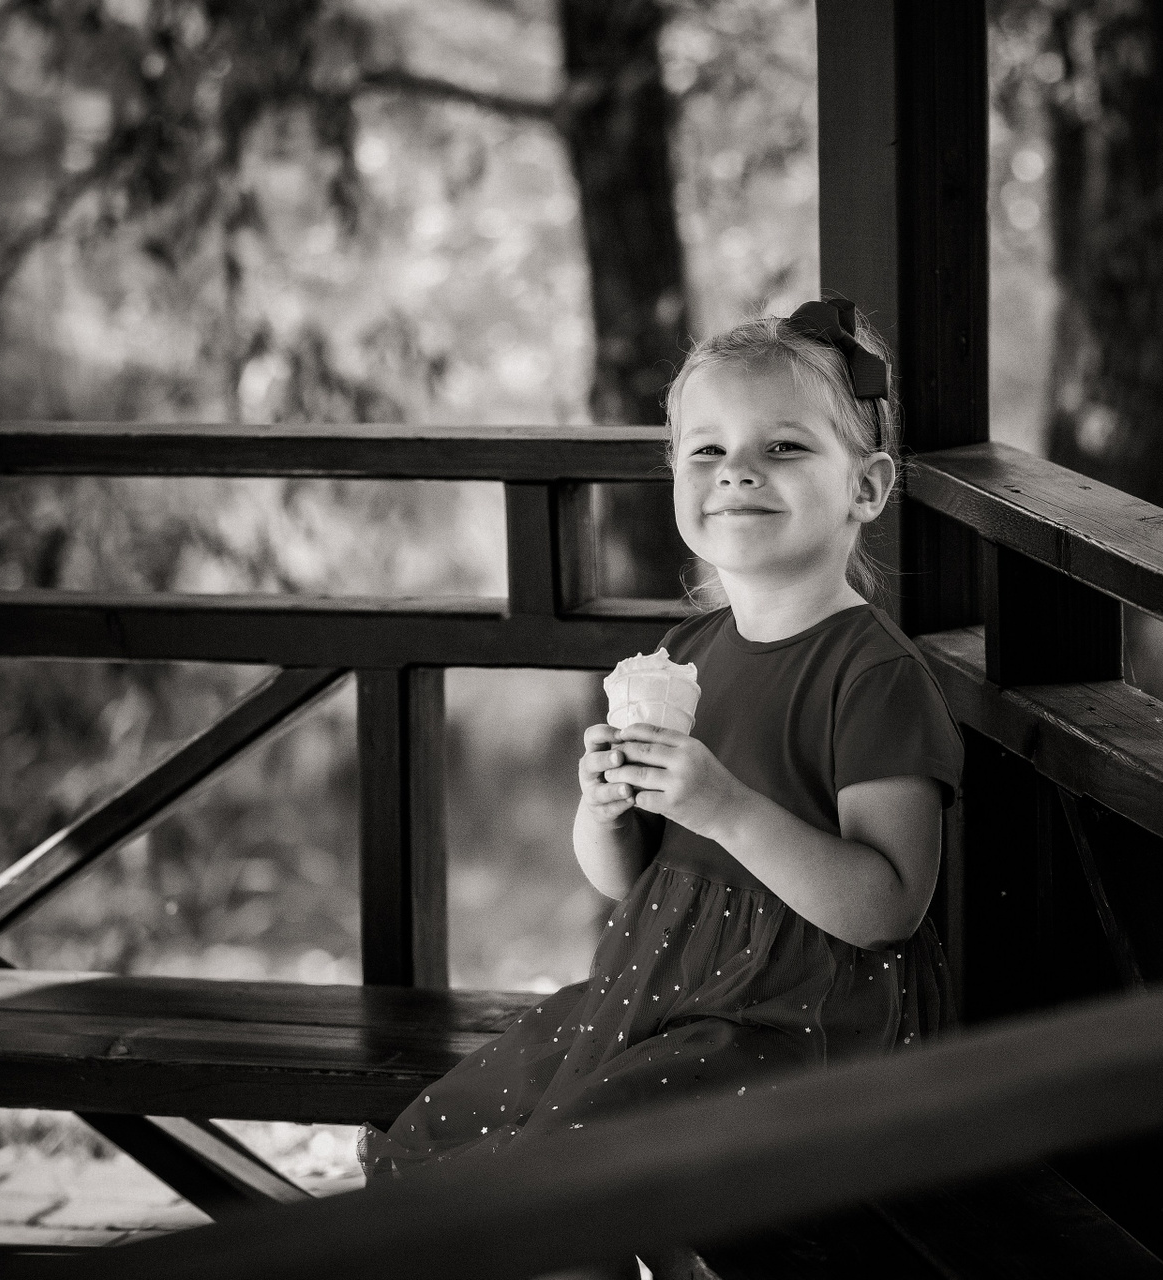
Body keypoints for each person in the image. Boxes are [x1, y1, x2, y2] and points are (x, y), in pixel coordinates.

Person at [358, 297, 963, 1183]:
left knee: (564, 1168)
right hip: (655, 995)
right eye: (707, 450)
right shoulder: (683, 656)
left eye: (783, 448)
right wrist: (604, 811)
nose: (738, 472)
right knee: (456, 1131)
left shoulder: (872, 677)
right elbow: (626, 879)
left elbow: (888, 908)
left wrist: (723, 807)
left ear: (865, 488)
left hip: (797, 1030)